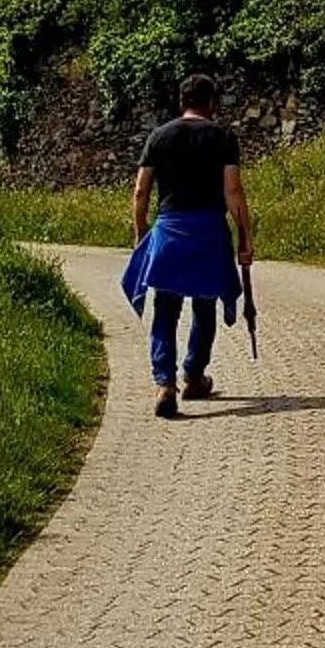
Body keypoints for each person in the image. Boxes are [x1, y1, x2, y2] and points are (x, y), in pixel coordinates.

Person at [121, 73, 254, 419]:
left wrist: (140, 231)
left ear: (182, 102)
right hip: (208, 231)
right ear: (211, 103)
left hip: (169, 231)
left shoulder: (159, 136)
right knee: (204, 307)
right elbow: (233, 193)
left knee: (165, 310)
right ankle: (194, 376)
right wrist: (244, 238)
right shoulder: (223, 137)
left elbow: (140, 191)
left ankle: (165, 384)